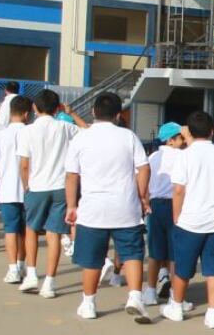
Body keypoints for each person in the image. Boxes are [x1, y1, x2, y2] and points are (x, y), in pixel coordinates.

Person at [62, 94, 151, 322]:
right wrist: (142, 197)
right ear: (119, 115)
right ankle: (135, 297)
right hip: (126, 206)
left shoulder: (81, 138)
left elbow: (72, 175)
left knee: (92, 259)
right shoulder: (128, 136)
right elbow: (144, 168)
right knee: (132, 254)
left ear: (93, 112)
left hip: (92, 208)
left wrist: (71, 205)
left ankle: (89, 303)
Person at [164, 112, 214, 329]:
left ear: (189, 131)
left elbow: (178, 190)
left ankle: (177, 306)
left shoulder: (185, 156)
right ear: (212, 131)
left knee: (183, 267)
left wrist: (176, 216)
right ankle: (212, 313)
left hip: (190, 220)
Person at [17, 87, 77, 298]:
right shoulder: (65, 127)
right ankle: (49, 282)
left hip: (37, 185)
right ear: (57, 108)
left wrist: (26, 185)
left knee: (31, 229)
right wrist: (71, 113)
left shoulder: (28, 131)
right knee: (55, 234)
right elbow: (87, 130)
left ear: (34, 108)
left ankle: (32, 274)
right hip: (61, 186)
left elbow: (24, 163)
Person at [0, 96, 34, 284]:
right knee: (27, 231)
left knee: (10, 230)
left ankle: (12, 269)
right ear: (27, 114)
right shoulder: (32, 133)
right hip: (30, 189)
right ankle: (22, 264)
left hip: (7, 190)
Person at [144, 122, 186, 308]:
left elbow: (145, 180)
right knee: (175, 253)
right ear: (171, 140)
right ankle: (175, 295)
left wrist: (145, 202)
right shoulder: (182, 157)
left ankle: (151, 291)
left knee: (155, 251)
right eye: (181, 137)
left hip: (154, 204)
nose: (184, 141)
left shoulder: (153, 156)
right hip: (176, 205)